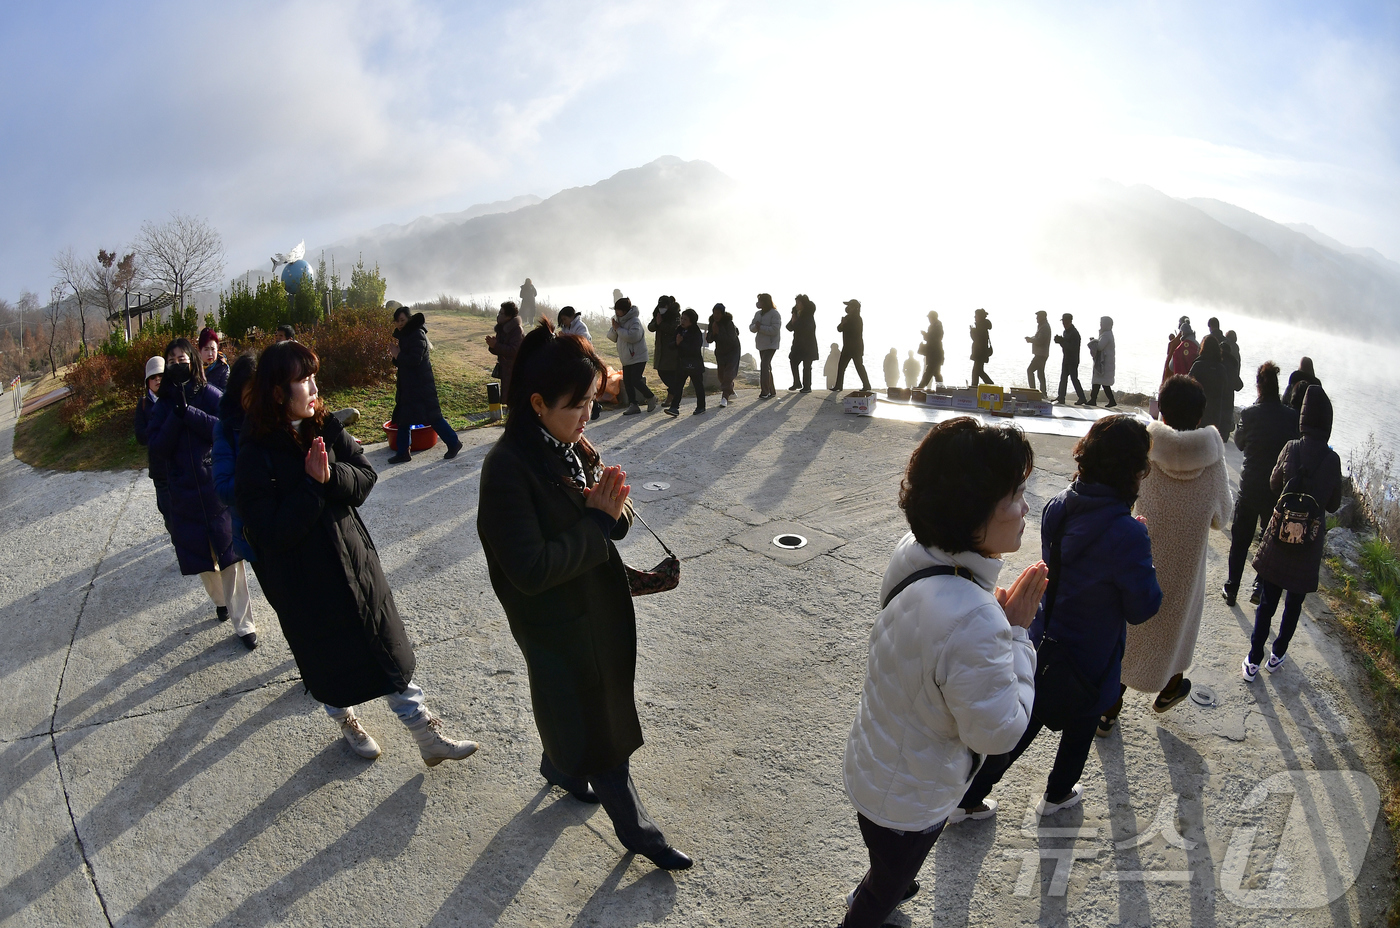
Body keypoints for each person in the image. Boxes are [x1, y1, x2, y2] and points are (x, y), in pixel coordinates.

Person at [477, 322, 693, 873]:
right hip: (555, 620)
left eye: (593, 402)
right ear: (537, 402)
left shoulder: (567, 444)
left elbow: (597, 525)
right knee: (600, 728)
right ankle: (638, 830)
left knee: (578, 709)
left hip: (592, 607)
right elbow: (528, 568)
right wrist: (598, 522)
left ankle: (563, 769)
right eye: (579, 405)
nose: (589, 416)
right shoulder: (506, 469)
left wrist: (609, 513)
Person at [840, 417, 1047, 928]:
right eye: (1016, 494)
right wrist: (1017, 634)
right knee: (883, 887)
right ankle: (870, 904)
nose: (1026, 508)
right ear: (973, 513)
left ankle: (888, 878)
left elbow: (931, 652)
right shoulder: (975, 618)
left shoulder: (915, 553)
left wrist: (991, 625)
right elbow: (998, 733)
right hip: (912, 799)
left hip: (875, 760)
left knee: (888, 859)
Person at [236, 340, 478, 765]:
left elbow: (365, 476)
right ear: (277, 392)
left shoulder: (323, 424)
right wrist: (311, 487)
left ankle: (426, 734)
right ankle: (345, 719)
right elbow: (270, 532)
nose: (313, 388)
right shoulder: (255, 452)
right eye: (303, 380)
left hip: (354, 562)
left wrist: (329, 480)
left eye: (314, 377)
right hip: (306, 581)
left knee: (384, 649)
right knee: (328, 659)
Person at [953, 415, 1161, 822]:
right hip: (1093, 651)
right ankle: (1058, 794)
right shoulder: (1128, 533)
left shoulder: (1059, 505)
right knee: (1082, 724)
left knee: (1026, 719)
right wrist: (1143, 545)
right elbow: (1143, 607)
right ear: (1133, 473)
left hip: (1046, 634)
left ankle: (968, 798)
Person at [1107, 376, 1232, 732]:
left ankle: (1107, 710)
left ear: (1161, 408)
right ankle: (1170, 688)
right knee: (1176, 632)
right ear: (1199, 415)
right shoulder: (1213, 460)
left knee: (1132, 632)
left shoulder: (1144, 448)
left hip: (1140, 561)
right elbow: (1223, 517)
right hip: (1185, 571)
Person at [147, 337, 257, 649]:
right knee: (205, 562)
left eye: (183, 358)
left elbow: (222, 427)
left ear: (194, 361)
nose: (177, 363)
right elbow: (156, 447)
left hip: (214, 491)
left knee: (231, 559)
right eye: (172, 360)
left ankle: (244, 624)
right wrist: (175, 414)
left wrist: (190, 414)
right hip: (183, 496)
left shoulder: (210, 394)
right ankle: (220, 600)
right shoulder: (163, 404)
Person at [1243, 385, 1342, 680]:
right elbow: (1334, 505)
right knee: (1294, 603)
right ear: (1327, 423)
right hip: (1308, 543)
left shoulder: (1292, 447)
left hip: (1280, 536)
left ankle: (1252, 659)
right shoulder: (1332, 459)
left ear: (1303, 419)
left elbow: (1274, 484)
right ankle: (1278, 655)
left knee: (1267, 600)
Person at [1223, 362, 1300, 606]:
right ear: (1278, 387)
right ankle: (1259, 584)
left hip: (1251, 486)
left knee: (1241, 539)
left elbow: (1240, 443)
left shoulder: (1249, 414)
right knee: (1269, 541)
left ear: (1258, 386)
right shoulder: (1291, 417)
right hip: (1276, 490)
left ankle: (1232, 587)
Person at [390, 307, 462, 463]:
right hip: (408, 386)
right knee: (404, 419)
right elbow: (404, 362)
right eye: (397, 321)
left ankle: (454, 443)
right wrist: (396, 356)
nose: (400, 324)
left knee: (433, 417)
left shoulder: (417, 334)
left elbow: (415, 360)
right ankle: (403, 452)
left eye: (402, 320)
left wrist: (398, 355)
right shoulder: (405, 336)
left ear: (409, 319)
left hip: (421, 385)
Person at [212, 354, 258, 570]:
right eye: (251, 391)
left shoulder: (280, 420)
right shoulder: (227, 429)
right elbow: (223, 489)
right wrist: (259, 476)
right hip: (253, 536)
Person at [134, 356, 169, 529]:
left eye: (161, 376)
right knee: (165, 509)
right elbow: (140, 435)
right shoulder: (142, 405)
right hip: (158, 468)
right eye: (153, 377)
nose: (157, 380)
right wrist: (159, 433)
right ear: (147, 381)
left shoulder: (174, 400)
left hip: (178, 465)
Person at [608, 297, 657, 415]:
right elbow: (612, 337)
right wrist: (615, 328)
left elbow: (632, 337)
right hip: (626, 358)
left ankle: (651, 397)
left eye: (618, 310)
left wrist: (618, 328)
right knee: (628, 382)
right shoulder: (619, 320)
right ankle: (633, 405)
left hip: (638, 356)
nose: (616, 312)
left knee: (635, 379)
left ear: (624, 310)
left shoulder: (635, 321)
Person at [486, 301, 526, 409]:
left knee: (515, 399)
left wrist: (496, 345)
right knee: (509, 399)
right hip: (506, 369)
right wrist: (493, 346)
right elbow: (500, 350)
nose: (498, 316)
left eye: (501, 313)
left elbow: (514, 350)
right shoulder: (502, 329)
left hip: (514, 369)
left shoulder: (516, 330)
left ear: (509, 316)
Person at [667, 308, 706, 417]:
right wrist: (676, 343)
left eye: (685, 319)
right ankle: (674, 407)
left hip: (694, 363)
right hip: (681, 363)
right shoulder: (679, 330)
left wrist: (680, 343)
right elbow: (670, 345)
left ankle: (701, 406)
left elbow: (694, 348)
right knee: (678, 386)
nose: (682, 321)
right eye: (681, 318)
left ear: (692, 321)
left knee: (698, 386)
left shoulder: (696, 332)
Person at [1187, 334, 1227, 432]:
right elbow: (1225, 388)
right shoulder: (1221, 368)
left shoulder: (1198, 365)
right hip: (1215, 411)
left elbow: (1187, 385)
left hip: (1198, 409)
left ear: (1203, 348)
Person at [705, 302, 741, 408]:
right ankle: (731, 391)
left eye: (718, 313)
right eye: (714, 313)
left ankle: (724, 397)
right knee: (721, 375)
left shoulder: (728, 323)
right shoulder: (712, 322)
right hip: (721, 351)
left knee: (729, 374)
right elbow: (708, 339)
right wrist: (714, 333)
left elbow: (731, 339)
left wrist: (718, 333)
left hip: (733, 350)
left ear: (722, 314)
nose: (716, 315)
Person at [649, 296, 682, 406]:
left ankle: (672, 395)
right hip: (660, 349)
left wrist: (661, 324)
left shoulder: (676, 315)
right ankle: (673, 392)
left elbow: (675, 329)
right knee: (661, 371)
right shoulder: (658, 313)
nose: (662, 308)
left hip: (672, 350)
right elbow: (650, 327)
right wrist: (657, 323)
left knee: (670, 373)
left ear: (669, 306)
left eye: (664, 306)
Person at [834, 299, 872, 391]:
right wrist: (843, 324)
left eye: (850, 306)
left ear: (855, 308)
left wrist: (845, 324)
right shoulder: (847, 317)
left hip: (856, 347)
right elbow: (839, 329)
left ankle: (867, 385)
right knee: (841, 366)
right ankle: (838, 385)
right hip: (847, 347)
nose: (848, 308)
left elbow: (855, 331)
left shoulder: (858, 319)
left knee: (859, 366)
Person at [750, 293, 782, 399]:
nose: (758, 303)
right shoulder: (758, 313)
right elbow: (751, 327)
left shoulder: (775, 314)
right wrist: (756, 327)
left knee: (764, 365)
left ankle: (765, 391)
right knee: (767, 367)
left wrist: (760, 327)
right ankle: (772, 390)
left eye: (760, 301)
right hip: (761, 344)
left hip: (771, 344)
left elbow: (774, 330)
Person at [786, 294, 819, 393]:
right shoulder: (797, 314)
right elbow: (789, 328)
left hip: (808, 345)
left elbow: (805, 329)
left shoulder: (808, 315)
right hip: (798, 344)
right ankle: (797, 382)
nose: (796, 305)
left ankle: (807, 386)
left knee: (807, 366)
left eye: (798, 303)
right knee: (793, 360)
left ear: (803, 304)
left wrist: (795, 322)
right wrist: (793, 319)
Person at [1054, 313, 1087, 405]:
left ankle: (1082, 397)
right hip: (1066, 358)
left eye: (1065, 321)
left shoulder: (1074, 333)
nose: (1064, 323)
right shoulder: (1066, 332)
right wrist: (1060, 341)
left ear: (1070, 321)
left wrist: (1062, 341)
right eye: (1063, 321)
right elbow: (1065, 346)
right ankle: (1061, 397)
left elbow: (1073, 348)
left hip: (1073, 360)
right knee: (1063, 378)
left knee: (1074, 378)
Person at [1086, 316, 1117, 407]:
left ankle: (1109, 400)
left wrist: (1093, 342)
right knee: (1099, 382)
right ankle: (1094, 399)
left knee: (1103, 383)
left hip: (1104, 364)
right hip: (1104, 363)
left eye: (1102, 323)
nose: (1100, 324)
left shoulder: (1106, 335)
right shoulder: (1106, 334)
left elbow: (1099, 347)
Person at [1221, 330, 1243, 440]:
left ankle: (1226, 428)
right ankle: (1228, 428)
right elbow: (1237, 368)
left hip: (1223, 382)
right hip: (1232, 382)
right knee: (1228, 406)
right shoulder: (1237, 351)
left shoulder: (1225, 347)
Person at [1165, 317, 1200, 381]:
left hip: (1181, 381)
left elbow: (1171, 367)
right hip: (1193, 381)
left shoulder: (1179, 348)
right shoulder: (1197, 345)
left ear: (1182, 333)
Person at [917, 311, 944, 388]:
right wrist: (925, 335)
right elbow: (929, 339)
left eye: (929, 317)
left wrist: (926, 335)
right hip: (933, 353)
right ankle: (941, 388)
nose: (929, 319)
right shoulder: (933, 326)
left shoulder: (937, 326)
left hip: (935, 354)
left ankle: (920, 387)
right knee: (936, 373)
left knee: (929, 372)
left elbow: (936, 338)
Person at [1026, 311, 1051, 395]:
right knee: (1040, 374)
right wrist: (1032, 338)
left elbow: (1040, 340)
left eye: (1038, 316)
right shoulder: (1042, 326)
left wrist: (1030, 340)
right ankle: (1043, 393)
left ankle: (1033, 391)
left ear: (1042, 317)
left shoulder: (1044, 327)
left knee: (1030, 370)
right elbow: (1038, 337)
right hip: (1041, 354)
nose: (1036, 318)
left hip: (1041, 354)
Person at [199, 327, 229, 392]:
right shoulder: (194, 367)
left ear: (217, 349)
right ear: (200, 350)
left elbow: (225, 395)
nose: (210, 354)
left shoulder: (223, 368)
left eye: (213, 349)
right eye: (206, 349)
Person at [969, 308, 993, 386]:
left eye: (976, 316)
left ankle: (990, 385)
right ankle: (974, 387)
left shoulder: (981, 327)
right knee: (977, 371)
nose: (974, 317)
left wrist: (972, 331)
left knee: (977, 371)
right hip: (981, 353)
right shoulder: (982, 326)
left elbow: (976, 339)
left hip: (980, 353)